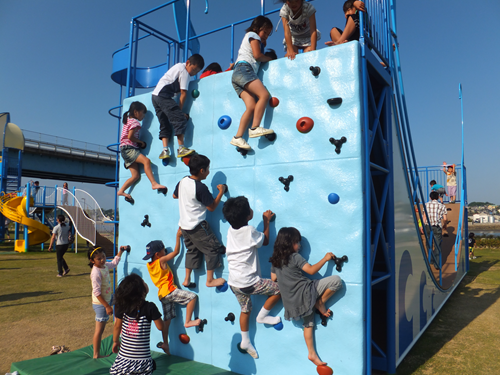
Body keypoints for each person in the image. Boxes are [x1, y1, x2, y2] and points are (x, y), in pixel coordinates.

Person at [269, 227, 343, 366]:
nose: (299, 245)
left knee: (308, 324)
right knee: (336, 281)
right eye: (297, 242)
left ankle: (312, 354)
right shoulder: (294, 257)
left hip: (293, 302)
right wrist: (325, 258)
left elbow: (273, 278)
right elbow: (311, 270)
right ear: (289, 243)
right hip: (307, 291)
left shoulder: (276, 260)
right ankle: (319, 302)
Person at [222, 196, 281, 359]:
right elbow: (266, 241)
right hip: (250, 283)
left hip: (234, 283)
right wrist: (266, 221)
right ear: (248, 215)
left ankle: (245, 341)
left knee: (245, 310)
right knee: (279, 290)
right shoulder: (249, 231)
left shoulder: (230, 230)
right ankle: (262, 316)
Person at [144, 231, 201, 355]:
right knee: (192, 297)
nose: (166, 252)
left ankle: (165, 343)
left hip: (162, 295)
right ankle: (188, 321)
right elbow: (176, 252)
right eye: (164, 250)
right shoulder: (161, 260)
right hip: (169, 290)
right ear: (158, 254)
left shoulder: (150, 265)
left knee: (167, 320)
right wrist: (178, 236)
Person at [173, 154, 226, 288]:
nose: (209, 172)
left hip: (184, 226)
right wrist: (221, 192)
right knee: (212, 249)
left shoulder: (183, 181)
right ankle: (210, 280)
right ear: (202, 170)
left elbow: (175, 195)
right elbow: (212, 207)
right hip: (197, 226)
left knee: (192, 250)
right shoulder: (200, 188)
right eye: (208, 169)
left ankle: (186, 279)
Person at [230, 16, 275, 151]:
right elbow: (257, 56)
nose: (266, 36)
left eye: (268, 34)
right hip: (245, 69)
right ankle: (255, 127)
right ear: (257, 28)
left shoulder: (251, 38)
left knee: (251, 106)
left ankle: (238, 137)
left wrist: (262, 43)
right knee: (264, 95)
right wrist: (269, 58)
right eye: (265, 32)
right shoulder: (253, 34)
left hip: (236, 75)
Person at [152, 54, 204, 159]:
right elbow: (183, 93)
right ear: (188, 63)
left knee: (164, 124)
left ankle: (165, 150)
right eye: (193, 70)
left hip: (155, 96)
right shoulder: (184, 71)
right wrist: (179, 112)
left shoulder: (178, 66)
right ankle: (181, 148)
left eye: (196, 72)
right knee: (179, 119)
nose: (193, 73)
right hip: (163, 95)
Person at [110, 273, 164, 375]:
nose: (145, 283)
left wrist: (115, 341)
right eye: (143, 282)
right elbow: (160, 327)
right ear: (141, 291)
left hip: (123, 361)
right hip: (143, 362)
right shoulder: (150, 307)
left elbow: (117, 326)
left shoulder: (123, 307)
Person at [117, 101, 167, 204]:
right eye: (143, 113)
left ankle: (121, 191)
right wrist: (141, 142)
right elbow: (130, 137)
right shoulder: (135, 122)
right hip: (129, 148)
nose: (143, 116)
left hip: (124, 149)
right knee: (147, 161)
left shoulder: (128, 120)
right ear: (136, 112)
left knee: (135, 176)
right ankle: (154, 183)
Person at [88, 246, 125, 358]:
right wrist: (107, 307)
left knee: (120, 300)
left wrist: (121, 252)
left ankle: (118, 323)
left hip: (109, 298)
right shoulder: (95, 273)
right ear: (92, 260)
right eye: (99, 259)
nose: (103, 260)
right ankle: (96, 354)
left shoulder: (103, 266)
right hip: (101, 304)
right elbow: (97, 293)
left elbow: (114, 263)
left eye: (104, 256)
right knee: (99, 330)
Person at [423, 191, 448, 269]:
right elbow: (445, 218)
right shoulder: (442, 206)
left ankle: (430, 259)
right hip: (437, 227)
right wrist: (444, 225)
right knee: (438, 245)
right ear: (438, 197)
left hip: (428, 226)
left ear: (430, 198)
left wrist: (421, 227)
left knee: (428, 243)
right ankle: (437, 264)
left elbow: (424, 217)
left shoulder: (426, 205)